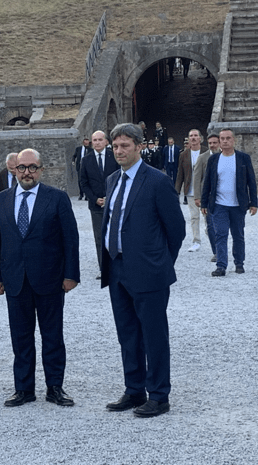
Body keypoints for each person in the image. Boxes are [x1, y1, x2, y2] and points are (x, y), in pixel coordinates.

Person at [101, 124, 185, 417]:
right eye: (115, 146)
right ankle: (134, 389)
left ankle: (159, 395)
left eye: (125, 145)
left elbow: (176, 229)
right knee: (127, 333)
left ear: (139, 146)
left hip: (149, 271)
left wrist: (160, 262)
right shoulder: (112, 179)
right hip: (117, 268)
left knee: (153, 334)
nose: (119, 151)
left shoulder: (157, 181)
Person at [0, 148, 80, 407]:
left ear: (41, 170)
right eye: (21, 167)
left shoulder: (57, 198)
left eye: (32, 167)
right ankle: (24, 389)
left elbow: (70, 240)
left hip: (50, 279)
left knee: (52, 336)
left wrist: (71, 274)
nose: (26, 172)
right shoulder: (2, 200)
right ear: (14, 169)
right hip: (15, 279)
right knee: (21, 337)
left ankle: (55, 387)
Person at [200, 128, 257, 277]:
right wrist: (204, 203)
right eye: (222, 139)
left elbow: (251, 181)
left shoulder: (243, 158)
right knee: (221, 234)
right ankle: (221, 265)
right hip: (219, 204)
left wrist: (253, 202)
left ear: (233, 140)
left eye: (228, 138)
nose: (225, 141)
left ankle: (239, 262)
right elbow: (207, 183)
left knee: (238, 235)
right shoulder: (214, 160)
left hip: (238, 205)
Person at [79, 130, 119, 280]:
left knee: (115, 234)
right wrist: (95, 199)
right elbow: (84, 183)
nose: (97, 142)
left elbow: (120, 177)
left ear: (106, 142)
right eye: (94, 140)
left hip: (114, 203)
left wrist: (110, 197)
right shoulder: (86, 160)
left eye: (100, 140)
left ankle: (117, 265)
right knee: (100, 237)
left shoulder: (114, 157)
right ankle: (104, 268)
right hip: (96, 206)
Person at [175, 129, 207, 252]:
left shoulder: (206, 152)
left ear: (200, 138)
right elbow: (180, 174)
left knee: (207, 217)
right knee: (194, 217)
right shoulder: (184, 155)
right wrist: (176, 191)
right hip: (190, 191)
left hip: (204, 191)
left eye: (195, 136)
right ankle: (196, 240)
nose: (193, 138)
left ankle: (210, 235)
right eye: (191, 136)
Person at [193, 133, 220, 262]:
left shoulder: (227, 156)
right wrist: (197, 197)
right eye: (210, 143)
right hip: (208, 198)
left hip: (224, 197)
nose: (212, 145)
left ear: (219, 143)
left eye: (215, 142)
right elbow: (197, 178)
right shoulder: (202, 158)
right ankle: (217, 252)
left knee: (223, 225)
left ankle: (222, 249)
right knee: (210, 225)